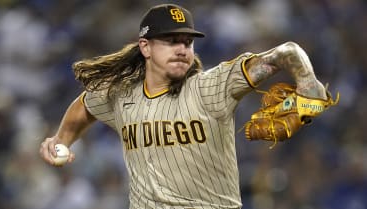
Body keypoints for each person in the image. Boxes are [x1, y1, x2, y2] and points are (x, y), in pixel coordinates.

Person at [39, 3, 328, 209]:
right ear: (145, 47)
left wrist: (308, 84)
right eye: (171, 41)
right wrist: (61, 139)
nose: (182, 49)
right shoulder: (121, 96)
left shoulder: (211, 87)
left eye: (187, 42)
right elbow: (85, 105)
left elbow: (286, 52)